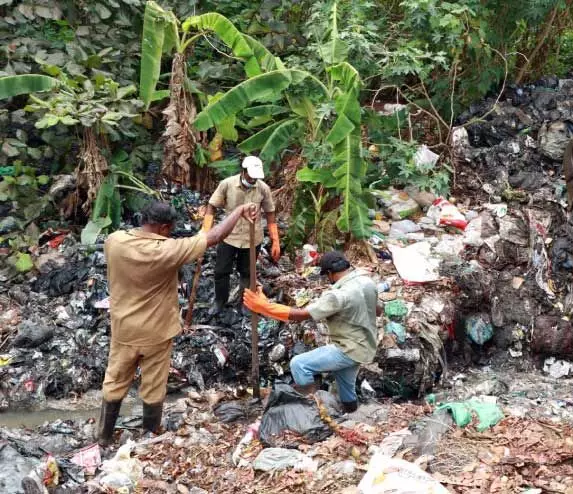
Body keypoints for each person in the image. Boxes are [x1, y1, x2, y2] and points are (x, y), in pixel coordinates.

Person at [97, 200, 258, 446]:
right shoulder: (168, 250)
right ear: (163, 228)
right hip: (157, 333)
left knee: (115, 381)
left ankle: (104, 437)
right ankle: (149, 437)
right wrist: (238, 211)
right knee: (153, 386)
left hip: (124, 330)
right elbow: (213, 236)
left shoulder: (114, 242)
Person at [243, 252, 378, 412]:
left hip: (348, 349)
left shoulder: (337, 295)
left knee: (299, 364)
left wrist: (264, 307)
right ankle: (353, 416)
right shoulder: (367, 282)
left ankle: (310, 409)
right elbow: (378, 309)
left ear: (329, 273)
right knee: (346, 390)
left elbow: (301, 315)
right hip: (366, 346)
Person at [204, 156, 279, 314]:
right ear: (243, 171)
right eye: (250, 176)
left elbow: (270, 213)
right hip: (229, 236)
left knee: (247, 273)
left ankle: (245, 303)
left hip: (252, 238)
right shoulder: (227, 184)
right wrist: (206, 230)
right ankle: (220, 301)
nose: (253, 180)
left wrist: (275, 240)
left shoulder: (263, 188)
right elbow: (212, 206)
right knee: (221, 271)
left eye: (255, 177)